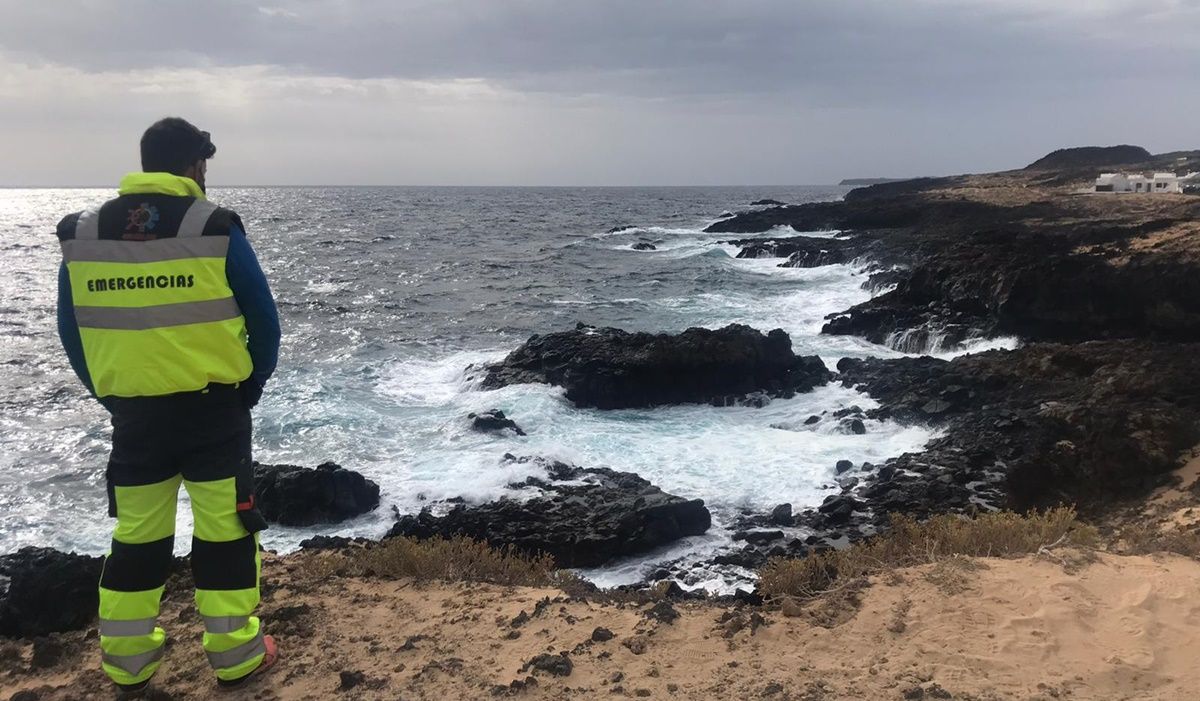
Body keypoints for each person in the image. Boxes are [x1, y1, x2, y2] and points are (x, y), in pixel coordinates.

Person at [54, 117, 282, 692]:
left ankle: (128, 664)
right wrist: (247, 392)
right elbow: (264, 320)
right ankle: (235, 657)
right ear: (194, 165)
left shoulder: (84, 233)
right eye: (205, 163)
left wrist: (109, 396)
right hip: (214, 413)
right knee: (226, 533)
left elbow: (71, 330)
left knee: (138, 537)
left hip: (135, 418)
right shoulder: (213, 226)